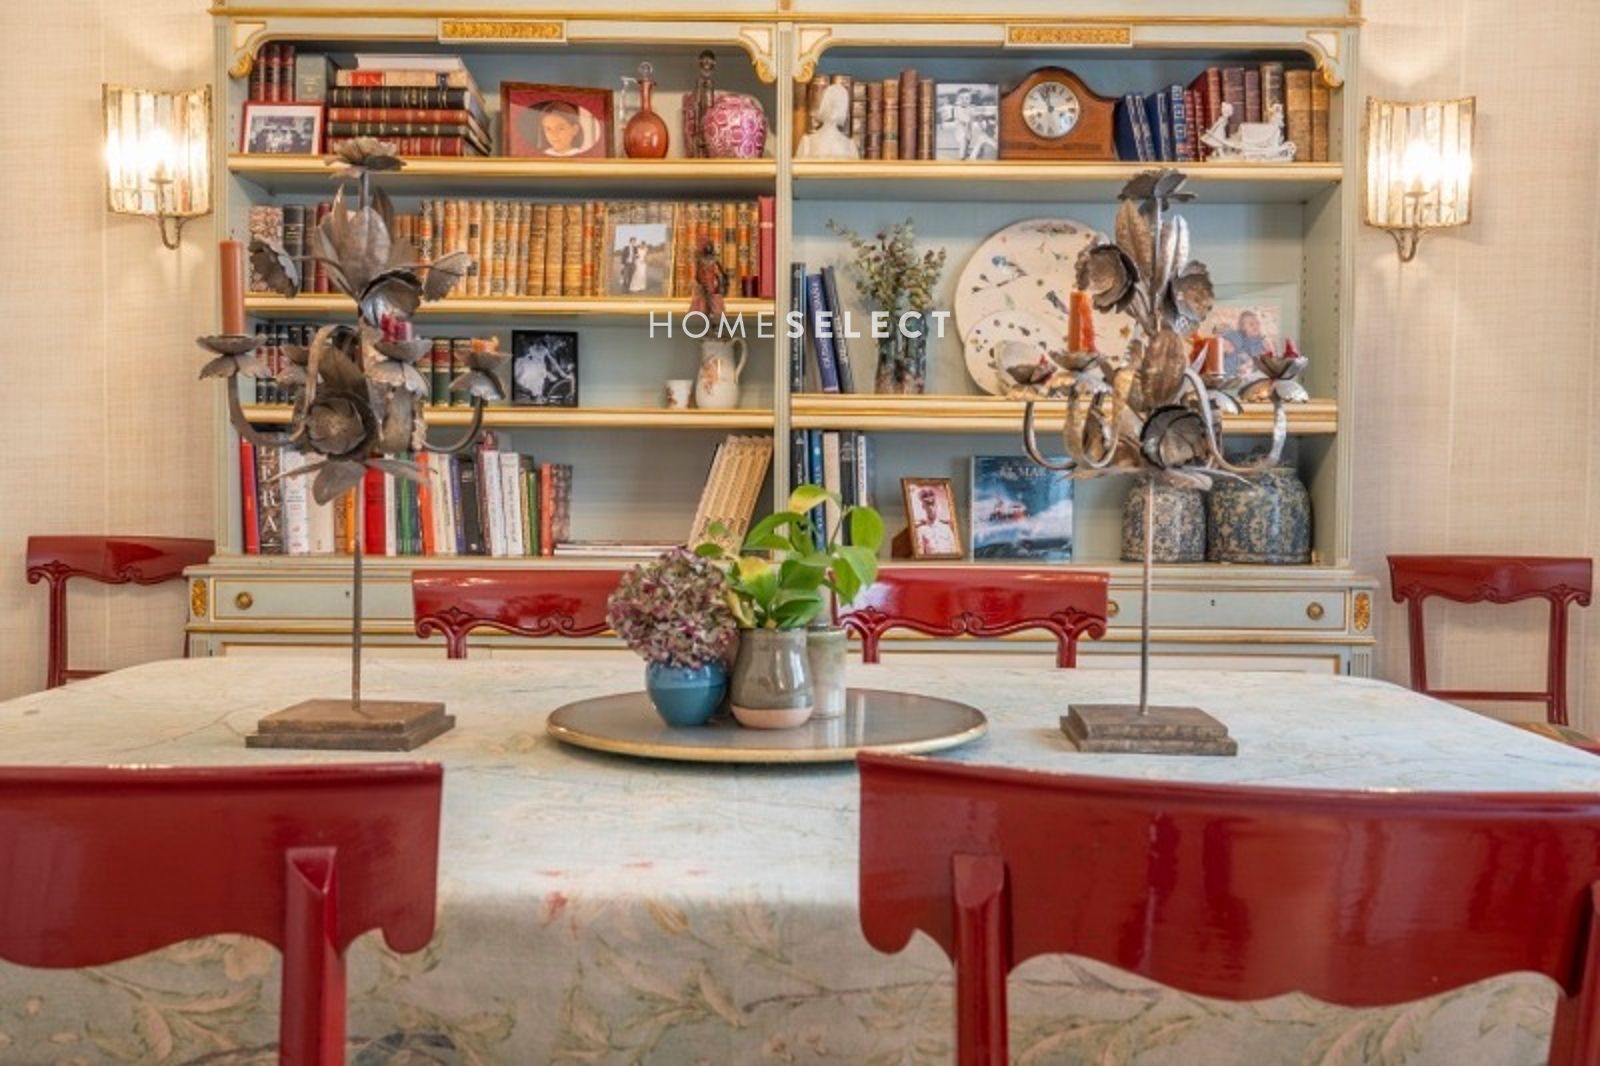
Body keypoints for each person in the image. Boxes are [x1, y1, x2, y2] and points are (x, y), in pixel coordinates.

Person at [1219, 309, 1270, 377]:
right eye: (1251, 324)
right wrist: (1228, 346)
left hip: (1251, 368)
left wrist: (1266, 349)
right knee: (1230, 359)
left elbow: (1262, 355)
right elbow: (1226, 341)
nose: (1256, 326)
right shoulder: (1237, 336)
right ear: (1242, 327)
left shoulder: (1260, 341)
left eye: (1257, 323)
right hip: (1234, 366)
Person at [913, 486, 960, 556]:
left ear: (937, 505)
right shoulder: (921, 530)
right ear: (923, 506)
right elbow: (920, 555)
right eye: (928, 504)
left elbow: (955, 552)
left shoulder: (946, 528)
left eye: (933, 504)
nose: (931, 508)